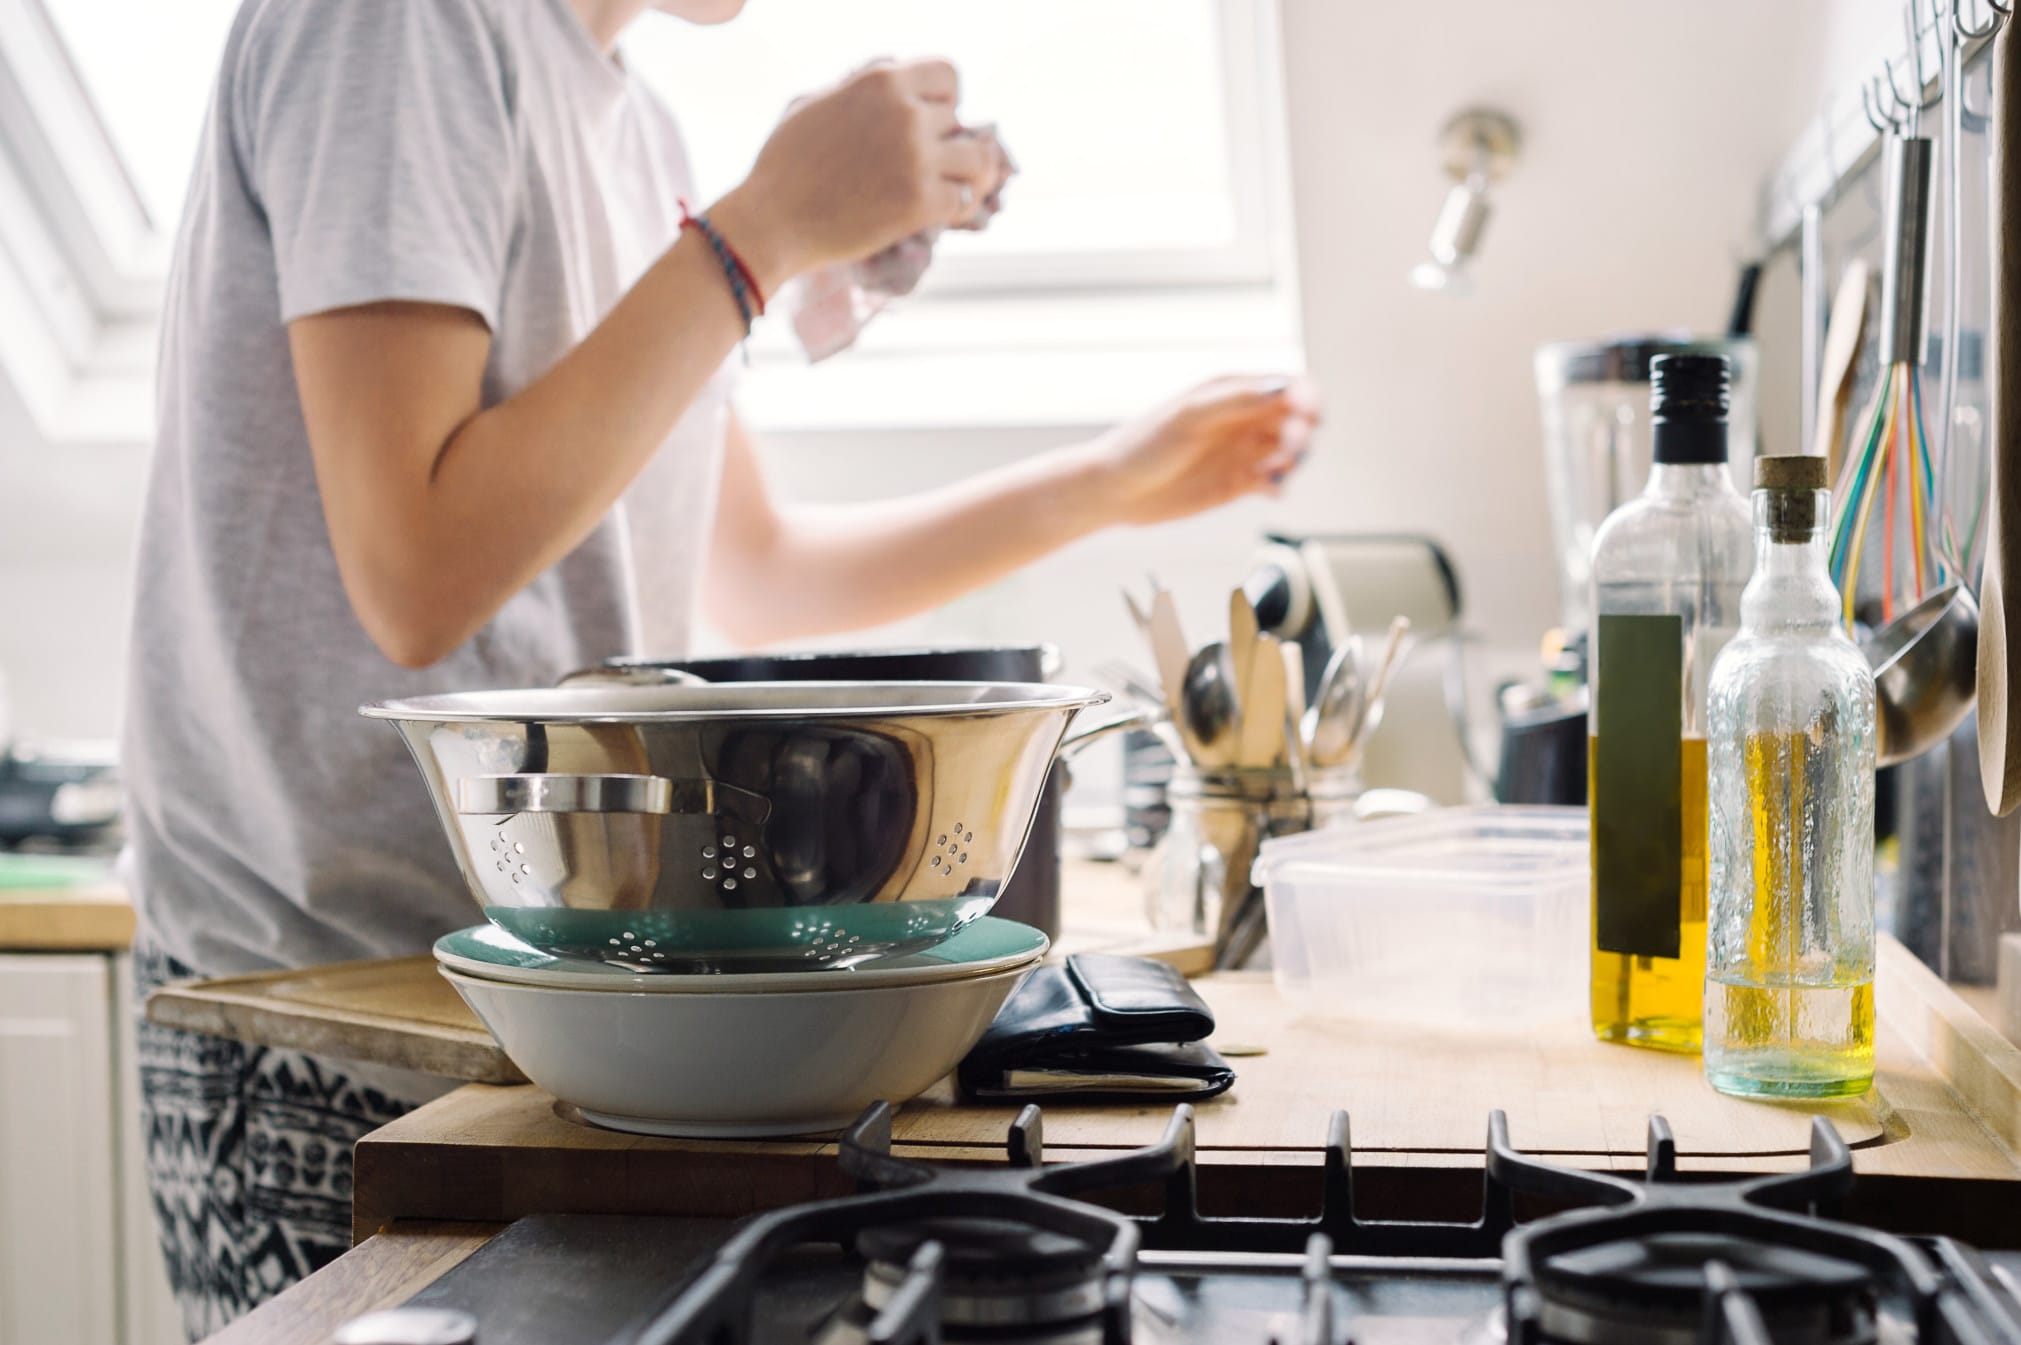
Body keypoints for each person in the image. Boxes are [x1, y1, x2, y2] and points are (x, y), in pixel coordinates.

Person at [120, 0, 1320, 1332]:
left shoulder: (635, 128)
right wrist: (762, 232)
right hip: (337, 1010)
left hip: (565, 1009)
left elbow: (751, 566)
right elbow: (415, 567)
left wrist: (1104, 482)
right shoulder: (400, 26)